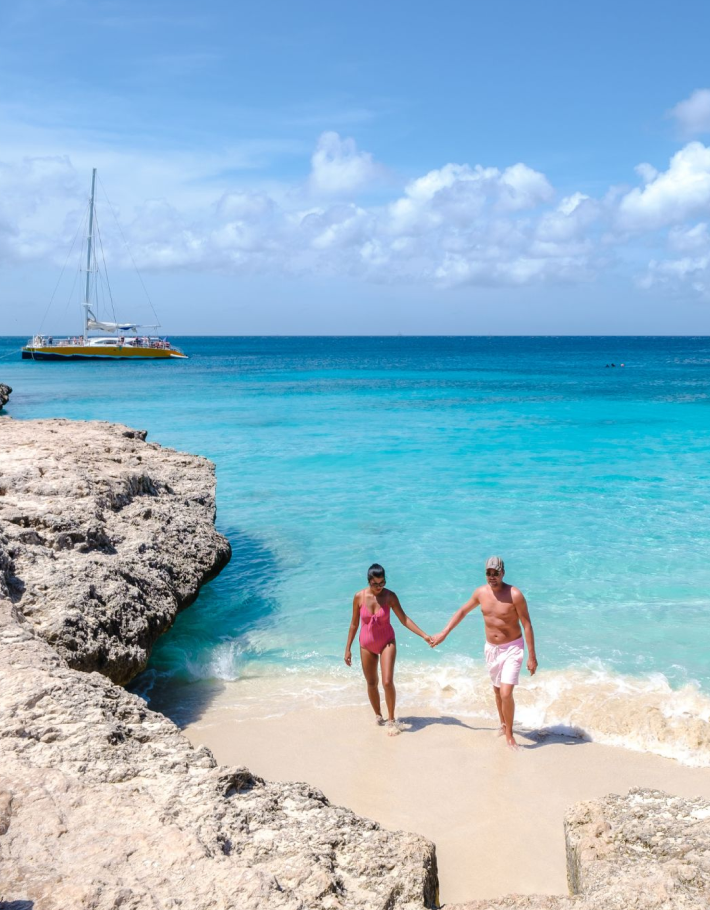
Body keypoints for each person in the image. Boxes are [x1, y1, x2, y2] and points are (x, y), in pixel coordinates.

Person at [431, 556, 537, 750]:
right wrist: (444, 633)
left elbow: (527, 624)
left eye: (495, 573)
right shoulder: (480, 593)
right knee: (497, 691)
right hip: (491, 649)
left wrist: (532, 656)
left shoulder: (515, 595)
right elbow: (462, 611)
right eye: (488, 573)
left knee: (506, 692)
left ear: (503, 573)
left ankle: (510, 736)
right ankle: (503, 724)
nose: (492, 577)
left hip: (513, 647)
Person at [344, 563, 431, 736]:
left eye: (382, 583)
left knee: (386, 681)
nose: (379, 587)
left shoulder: (390, 596)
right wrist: (347, 648)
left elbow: (404, 619)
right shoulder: (359, 597)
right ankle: (378, 716)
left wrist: (424, 635)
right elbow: (354, 624)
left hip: (387, 643)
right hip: (366, 645)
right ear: (369, 581)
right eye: (375, 584)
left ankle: (391, 720)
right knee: (371, 683)